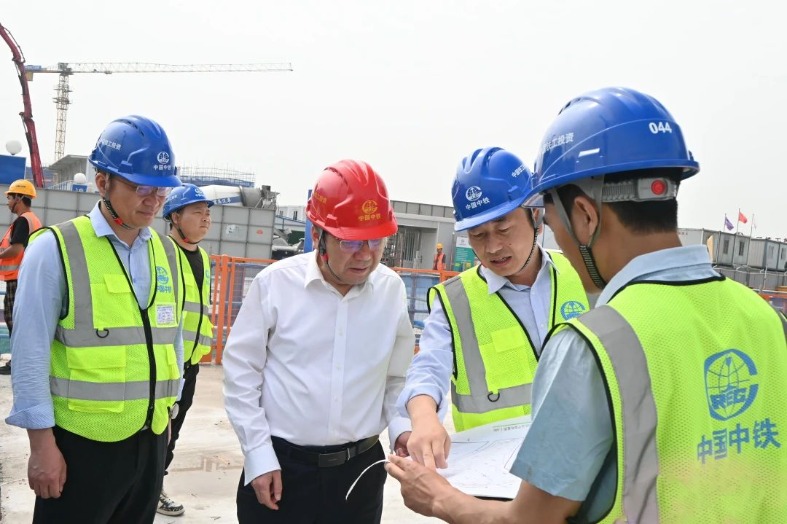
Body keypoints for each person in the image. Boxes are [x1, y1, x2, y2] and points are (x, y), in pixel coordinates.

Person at [387, 87, 787, 522]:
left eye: (550, 221)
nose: (493, 246)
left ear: (584, 215)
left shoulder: (596, 341)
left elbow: (531, 521)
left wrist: (440, 500)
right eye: (479, 235)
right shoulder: (766, 319)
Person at [5, 115, 185, 523]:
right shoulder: (56, 248)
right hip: (81, 446)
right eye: (141, 187)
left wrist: (168, 412)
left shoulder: (166, 252)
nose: (154, 200)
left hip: (151, 438)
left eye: (161, 189)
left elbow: (169, 339)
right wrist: (41, 445)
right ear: (103, 182)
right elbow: (29, 354)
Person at [223, 159, 415, 524]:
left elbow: (397, 378)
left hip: (360, 474)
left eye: (376, 240)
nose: (366, 254)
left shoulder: (390, 291)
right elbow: (241, 375)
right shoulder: (275, 285)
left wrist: (402, 428)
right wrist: (258, 454)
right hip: (281, 471)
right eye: (350, 241)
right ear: (318, 235)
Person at [399, 147, 589, 469]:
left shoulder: (583, 276)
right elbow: (428, 368)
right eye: (478, 235)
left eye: (503, 229)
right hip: (494, 477)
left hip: (583, 464)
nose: (493, 247)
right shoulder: (454, 302)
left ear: (536, 217)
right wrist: (424, 417)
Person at [157, 183, 215, 517]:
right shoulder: (161, 251)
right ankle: (147, 489)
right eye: (197, 212)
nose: (206, 218)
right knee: (157, 430)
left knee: (173, 429)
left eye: (207, 213)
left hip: (189, 363)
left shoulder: (203, 257)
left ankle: (154, 486)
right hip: (165, 360)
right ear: (175, 217)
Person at [0, 179, 42, 375]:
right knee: (20, 323)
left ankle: (17, 364)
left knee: (14, 322)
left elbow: (16, 249)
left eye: (10, 197)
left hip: (17, 279)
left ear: (19, 197)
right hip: (24, 277)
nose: (8, 202)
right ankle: (20, 362)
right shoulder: (33, 220)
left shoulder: (23, 221)